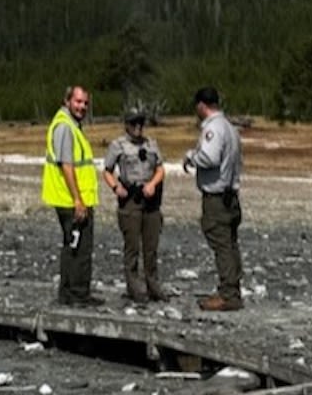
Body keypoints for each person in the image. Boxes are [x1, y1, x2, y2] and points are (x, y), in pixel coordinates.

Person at [182, 86, 244, 311]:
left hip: (217, 196)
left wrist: (191, 157)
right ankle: (232, 287)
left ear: (201, 105)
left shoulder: (213, 129)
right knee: (230, 243)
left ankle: (228, 294)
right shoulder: (229, 127)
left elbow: (209, 157)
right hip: (231, 194)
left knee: (221, 244)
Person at [42, 85, 103, 306]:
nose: (82, 107)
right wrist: (78, 200)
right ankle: (77, 294)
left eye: (85, 103)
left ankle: (68, 293)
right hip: (71, 200)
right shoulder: (65, 127)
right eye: (78, 102)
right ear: (67, 101)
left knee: (72, 245)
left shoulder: (69, 125)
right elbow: (66, 165)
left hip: (68, 198)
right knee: (80, 248)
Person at [102, 110, 167, 302]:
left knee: (151, 246)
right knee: (132, 247)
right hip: (130, 198)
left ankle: (153, 285)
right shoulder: (118, 145)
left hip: (151, 200)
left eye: (140, 123)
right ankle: (134, 288)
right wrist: (116, 186)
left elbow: (160, 168)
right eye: (133, 123)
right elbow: (107, 171)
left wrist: (153, 184)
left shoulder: (151, 144)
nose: (138, 126)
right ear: (126, 125)